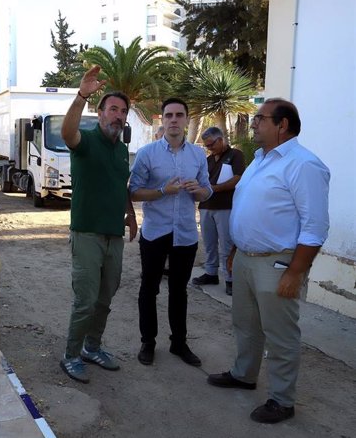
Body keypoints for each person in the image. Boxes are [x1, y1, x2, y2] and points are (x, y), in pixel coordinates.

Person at [207, 99, 330, 424]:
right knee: (245, 324)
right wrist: (236, 251)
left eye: (260, 118)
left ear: (282, 125)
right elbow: (249, 209)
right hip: (247, 260)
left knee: (280, 334)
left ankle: (281, 400)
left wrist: (296, 271)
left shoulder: (303, 164)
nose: (254, 123)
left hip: (278, 264)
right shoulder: (261, 159)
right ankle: (244, 374)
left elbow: (316, 226)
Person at [58, 65, 138, 384]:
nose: (118, 115)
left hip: (113, 236)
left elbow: (121, 186)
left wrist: (130, 214)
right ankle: (71, 354)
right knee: (86, 300)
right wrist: (80, 96)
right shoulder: (86, 142)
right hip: (87, 233)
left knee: (105, 299)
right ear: (101, 113)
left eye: (123, 111)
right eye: (113, 109)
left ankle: (92, 347)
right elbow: (67, 133)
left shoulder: (121, 151)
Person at [129, 98, 212, 367]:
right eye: (169, 115)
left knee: (179, 290)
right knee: (149, 289)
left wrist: (199, 191)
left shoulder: (198, 154)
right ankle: (148, 342)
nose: (174, 120)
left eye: (179, 115)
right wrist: (164, 190)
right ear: (162, 120)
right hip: (155, 233)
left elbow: (207, 189)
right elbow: (134, 191)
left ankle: (179, 343)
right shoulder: (147, 153)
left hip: (186, 234)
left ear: (187, 120)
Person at [191, 127, 245, 295]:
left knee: (227, 245)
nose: (210, 148)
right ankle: (211, 273)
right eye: (207, 145)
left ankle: (230, 279)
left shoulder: (235, 155)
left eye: (212, 144)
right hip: (206, 206)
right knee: (209, 243)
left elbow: (237, 179)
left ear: (221, 139)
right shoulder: (207, 160)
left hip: (225, 206)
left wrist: (213, 189)